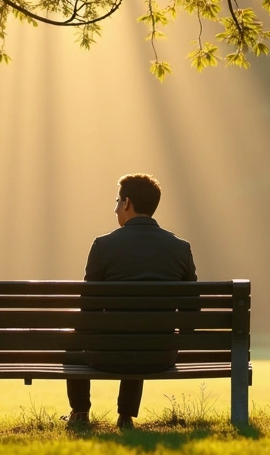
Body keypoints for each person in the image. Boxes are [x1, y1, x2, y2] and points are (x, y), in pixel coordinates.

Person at [66, 173, 197, 429]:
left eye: (117, 201)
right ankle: (125, 416)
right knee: (144, 328)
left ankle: (80, 412)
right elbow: (191, 311)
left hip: (109, 355)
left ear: (127, 203)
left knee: (75, 342)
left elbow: (87, 309)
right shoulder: (180, 247)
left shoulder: (104, 245)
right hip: (161, 354)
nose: (115, 208)